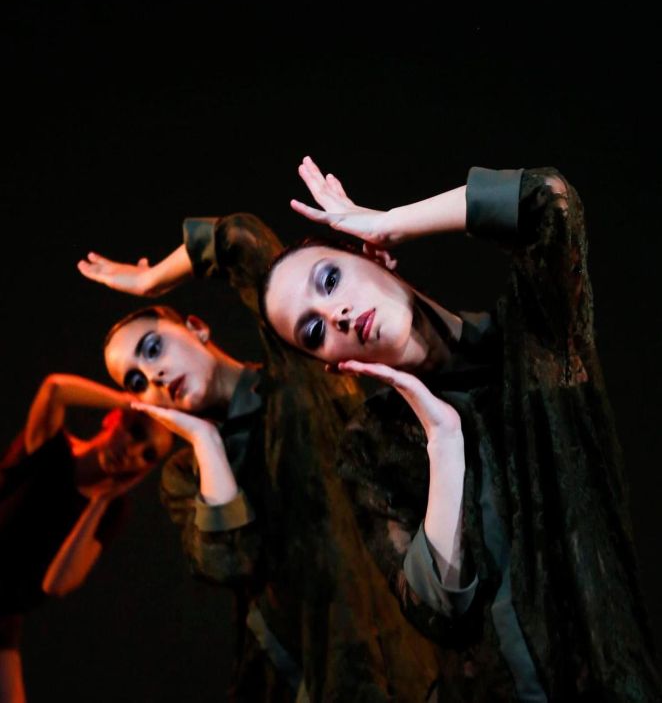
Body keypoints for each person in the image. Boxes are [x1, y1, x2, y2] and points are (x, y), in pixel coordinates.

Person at [259, 156, 662, 701]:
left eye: (330, 280)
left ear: (373, 256)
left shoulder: (530, 340)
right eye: (312, 331)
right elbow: (438, 612)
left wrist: (392, 221)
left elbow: (549, 200)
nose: (335, 315)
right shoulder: (367, 448)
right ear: (331, 364)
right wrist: (444, 444)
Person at [80, 214, 439, 701]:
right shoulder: (185, 476)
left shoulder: (298, 381)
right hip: (294, 680)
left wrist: (151, 280)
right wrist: (206, 442)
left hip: (401, 656)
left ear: (196, 328)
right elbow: (228, 564)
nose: (155, 373)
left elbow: (241, 240)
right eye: (137, 381)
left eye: (153, 347)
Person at [0, 374, 173, 703]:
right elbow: (54, 389)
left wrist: (101, 501)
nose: (134, 451)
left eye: (148, 455)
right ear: (114, 419)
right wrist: (127, 401)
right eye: (136, 433)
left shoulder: (110, 511)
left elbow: (57, 583)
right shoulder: (51, 446)